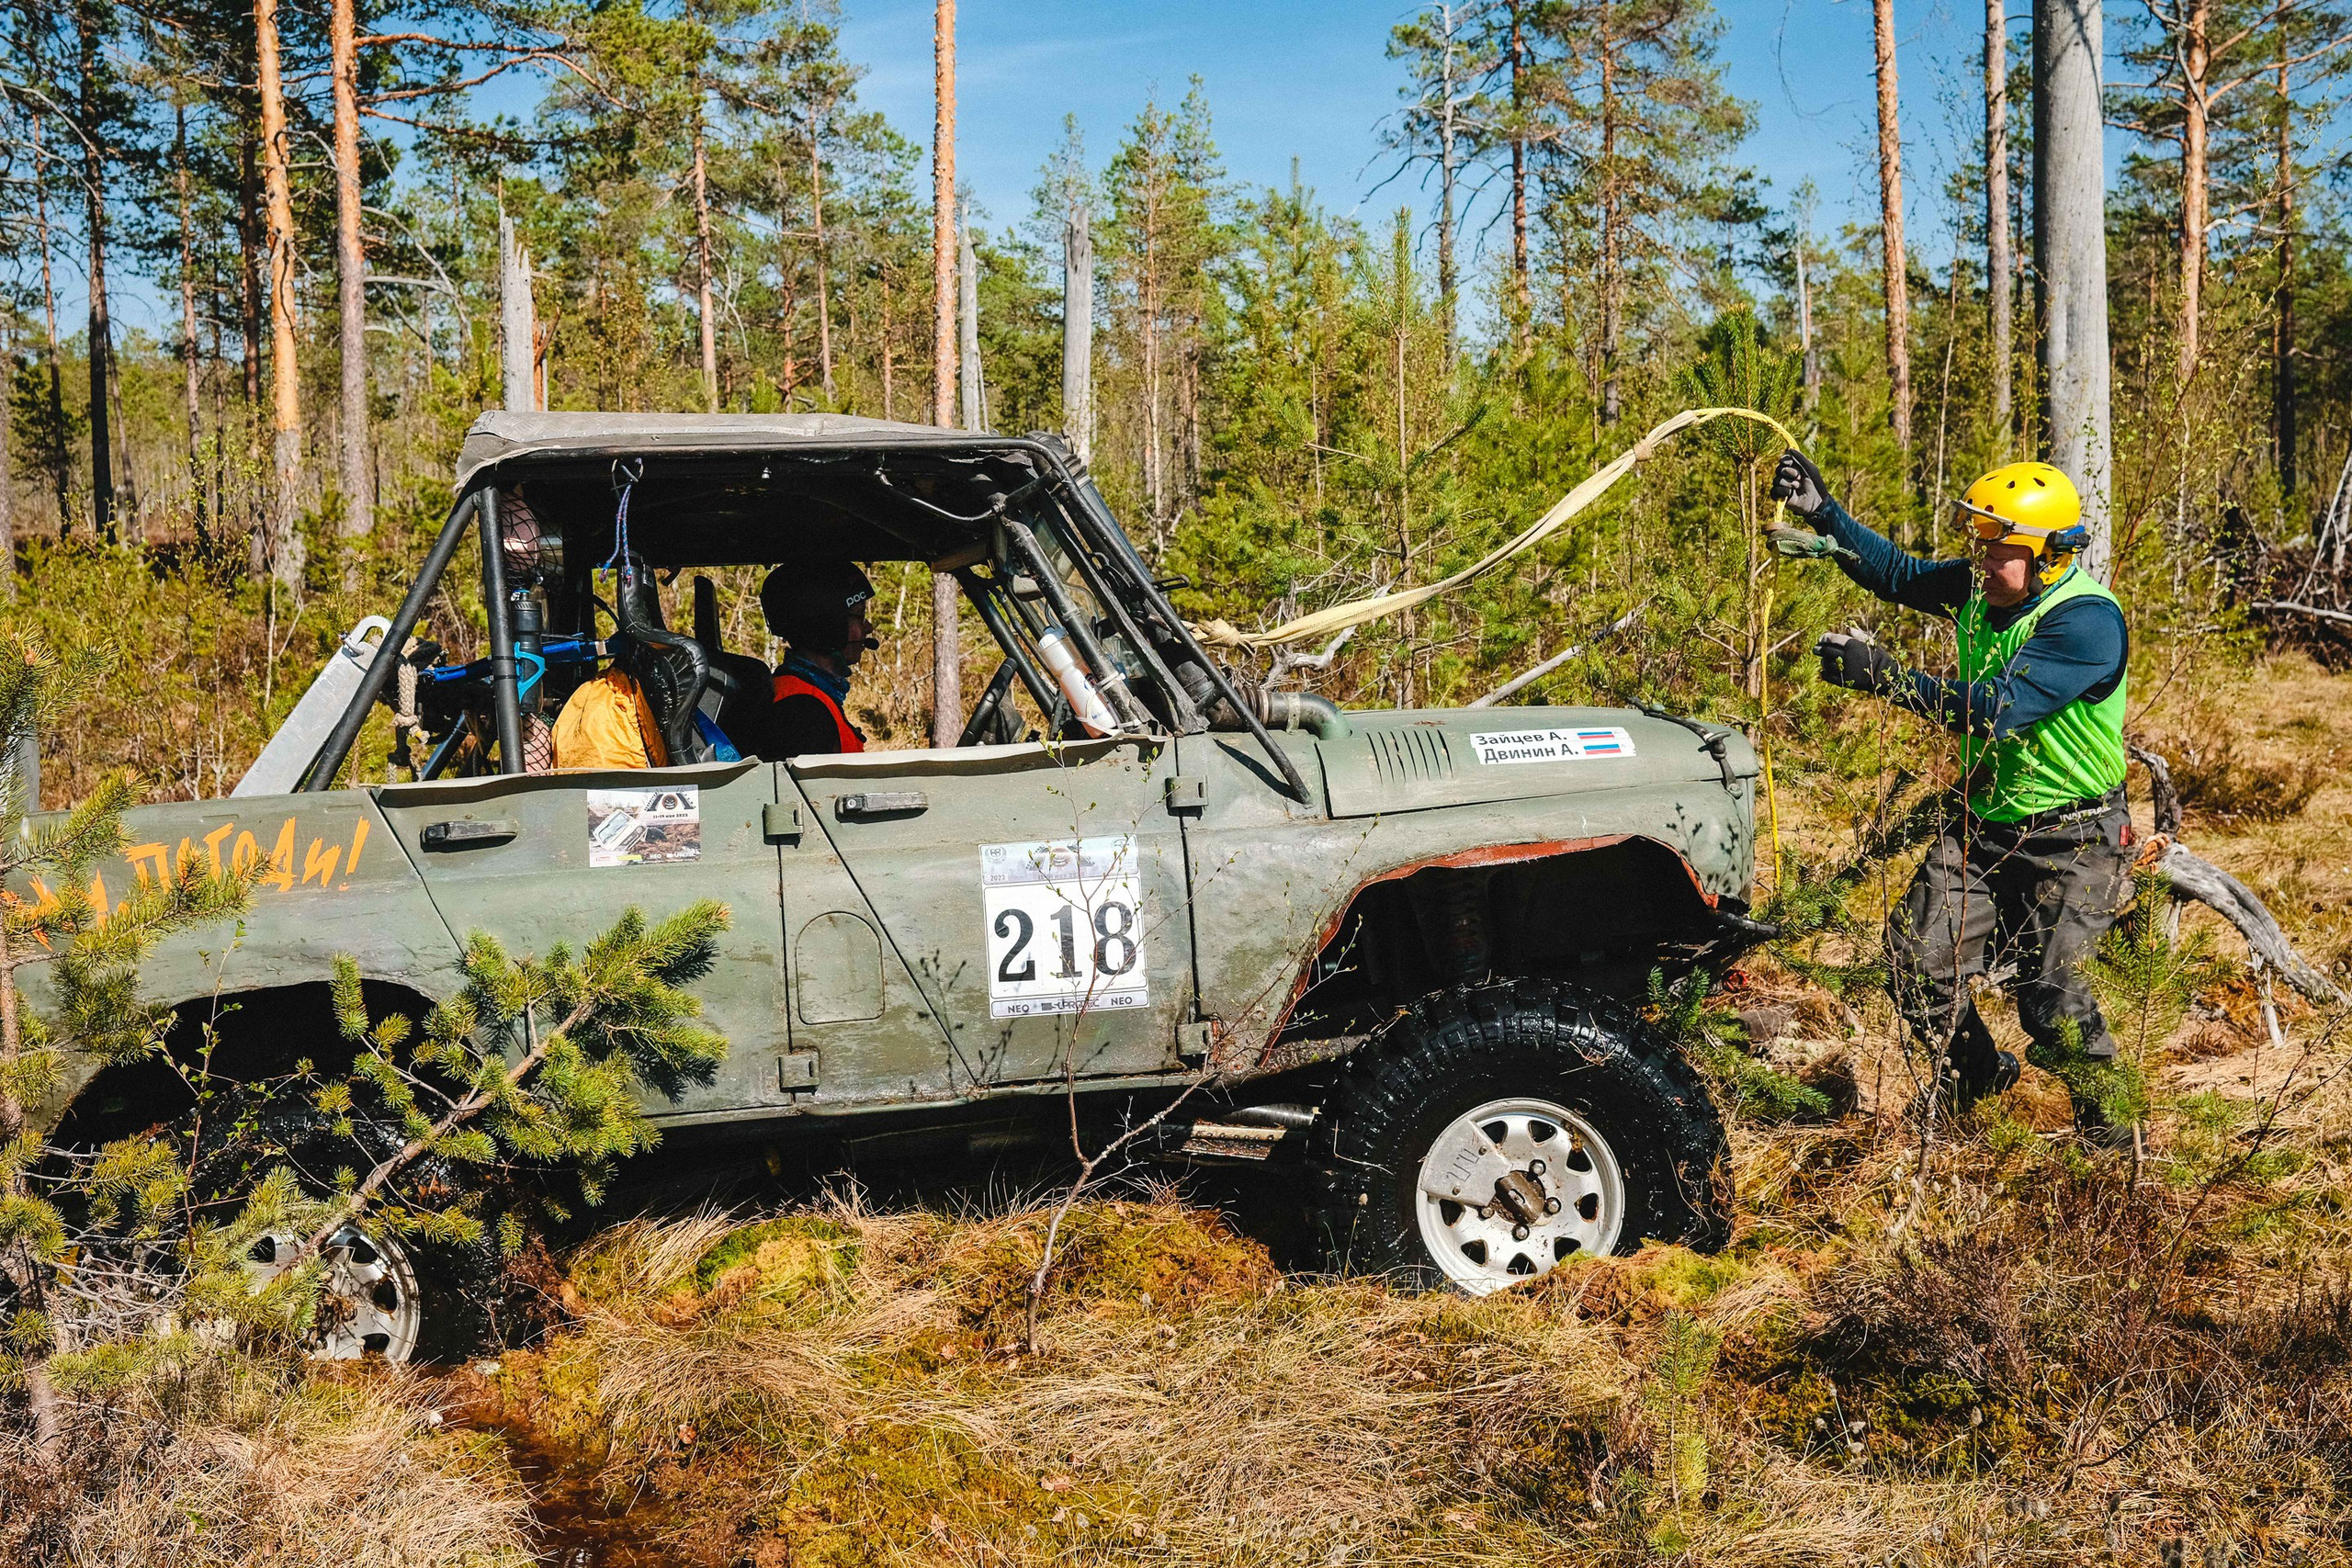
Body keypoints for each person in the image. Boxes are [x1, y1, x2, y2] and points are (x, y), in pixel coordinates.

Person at [1770, 450, 2133, 1133]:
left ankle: (2112, 1143)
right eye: (1981, 544)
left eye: (1999, 548)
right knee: (1915, 958)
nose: (1982, 560)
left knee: (2053, 1004)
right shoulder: (1982, 588)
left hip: (2077, 836)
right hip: (1987, 821)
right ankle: (1979, 1075)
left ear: (2048, 553)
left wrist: (1887, 678)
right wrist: (1824, 514)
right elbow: (1898, 574)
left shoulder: (2085, 621)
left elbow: (1996, 708)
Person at [742, 560, 878, 759]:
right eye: (859, 615)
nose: (868, 627)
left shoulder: (808, 694)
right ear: (827, 625)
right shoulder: (802, 712)